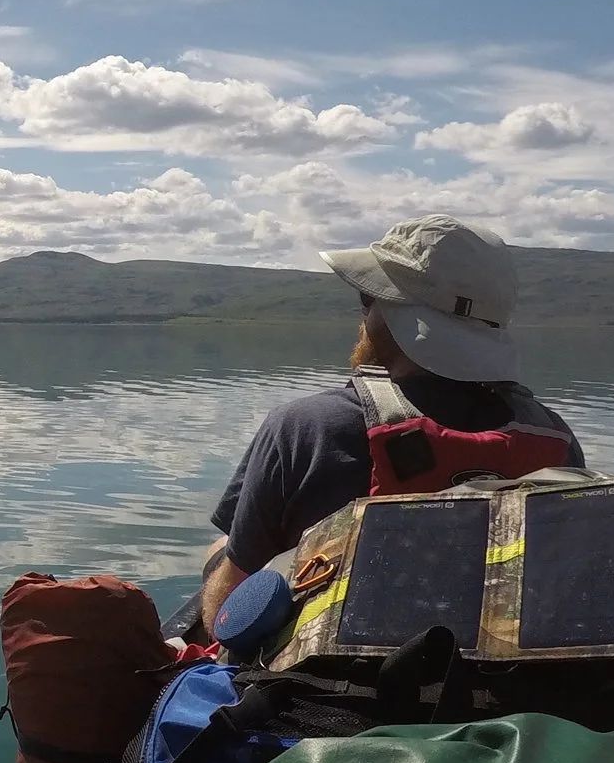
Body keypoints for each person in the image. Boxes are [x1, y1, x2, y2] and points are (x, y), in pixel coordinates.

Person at [201, 214, 584, 633]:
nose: (363, 314)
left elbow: (224, 614)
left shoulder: (307, 427)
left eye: (369, 297)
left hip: (334, 688)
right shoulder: (554, 439)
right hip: (492, 683)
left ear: (395, 316)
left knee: (218, 551)